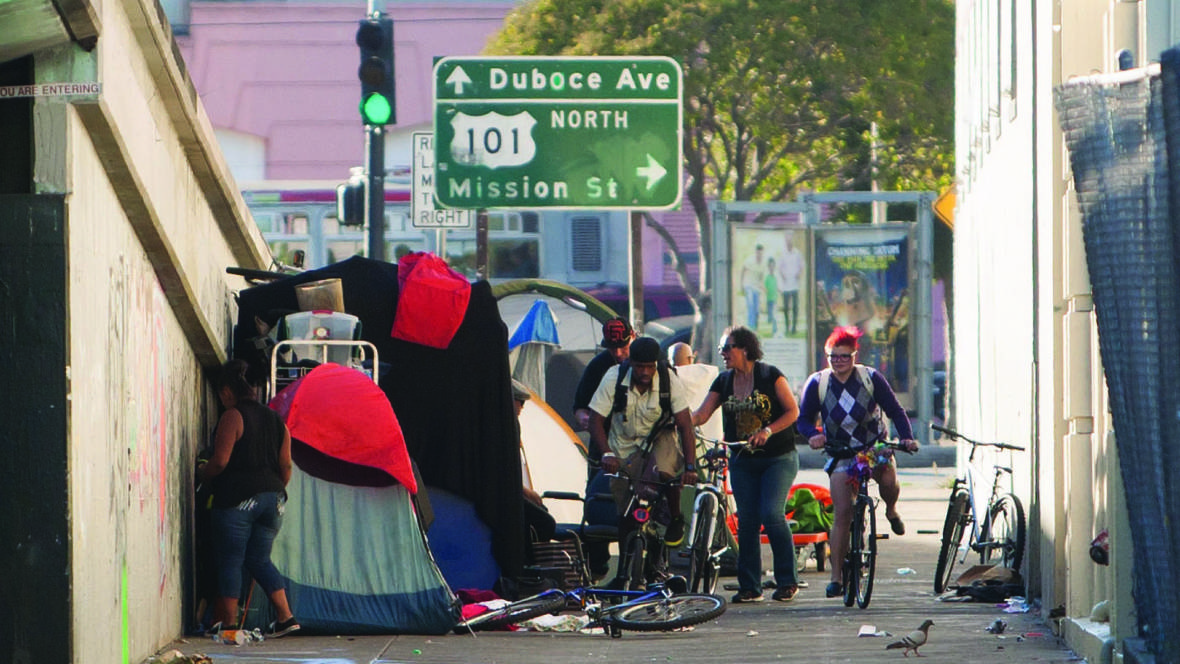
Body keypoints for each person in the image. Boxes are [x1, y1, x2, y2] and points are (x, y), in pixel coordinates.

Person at [795, 326, 918, 599]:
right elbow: (803, 420)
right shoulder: (818, 383)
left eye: (844, 356)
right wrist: (813, 435)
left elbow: (896, 411)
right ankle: (836, 577)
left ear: (854, 356)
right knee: (842, 513)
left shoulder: (871, 377)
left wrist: (907, 438)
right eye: (833, 357)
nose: (839, 362)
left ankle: (891, 510)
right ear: (826, 356)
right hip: (840, 450)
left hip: (874, 446)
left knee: (888, 479)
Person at [691, 326, 802, 603]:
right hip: (742, 459)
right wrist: (676, 418)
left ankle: (787, 580)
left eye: (727, 348)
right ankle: (750, 586)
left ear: (744, 349)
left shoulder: (769, 375)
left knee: (771, 514)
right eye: (721, 350)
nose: (723, 354)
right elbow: (702, 414)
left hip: (778, 458)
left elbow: (793, 411)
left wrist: (767, 431)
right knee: (747, 521)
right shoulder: (723, 381)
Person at [197, 359, 300, 637]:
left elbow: (220, 461)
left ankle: (228, 625)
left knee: (230, 559)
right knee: (259, 559)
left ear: (227, 391)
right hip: (274, 500)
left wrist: (202, 475)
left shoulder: (232, 416)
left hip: (239, 500)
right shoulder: (277, 421)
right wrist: (274, 490)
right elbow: (286, 466)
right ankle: (285, 617)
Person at [588, 336, 698, 581]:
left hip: (660, 437)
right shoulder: (614, 377)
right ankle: (625, 571)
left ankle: (675, 517)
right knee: (626, 512)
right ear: (631, 363)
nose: (645, 372)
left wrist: (690, 466)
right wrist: (606, 452)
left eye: (650, 367)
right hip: (624, 447)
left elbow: (685, 425)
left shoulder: (669, 380)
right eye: (639, 367)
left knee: (665, 470)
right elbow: (596, 420)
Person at [571, 316, 634, 577]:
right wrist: (586, 418)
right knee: (597, 504)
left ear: (633, 337)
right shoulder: (599, 366)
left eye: (623, 347)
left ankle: (646, 567)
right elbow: (579, 406)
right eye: (611, 348)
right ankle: (597, 567)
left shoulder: (649, 363)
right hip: (603, 446)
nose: (617, 354)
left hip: (637, 449)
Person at [513, 379, 557, 546]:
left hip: (514, 491)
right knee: (544, 522)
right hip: (508, 494)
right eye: (520, 402)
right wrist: (526, 492)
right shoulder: (505, 425)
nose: (522, 407)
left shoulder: (513, 424)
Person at [778, 236, 804, 335]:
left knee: (795, 307)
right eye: (787, 241)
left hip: (795, 285)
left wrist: (798, 274)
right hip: (785, 286)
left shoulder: (797, 253)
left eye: (790, 241)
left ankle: (794, 327)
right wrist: (783, 276)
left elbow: (801, 266)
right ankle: (787, 327)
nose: (789, 243)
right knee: (786, 308)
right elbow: (779, 267)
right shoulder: (783, 253)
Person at [740, 244, 767, 329]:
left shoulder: (763, 263)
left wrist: (763, 286)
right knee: (750, 305)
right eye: (758, 252)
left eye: (761, 253)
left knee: (756, 308)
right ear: (756, 252)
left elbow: (761, 276)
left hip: (756, 287)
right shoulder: (750, 260)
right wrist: (741, 284)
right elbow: (743, 270)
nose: (759, 254)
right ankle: (751, 325)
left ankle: (755, 325)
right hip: (748, 285)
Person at [764, 257, 779, 336]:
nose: (771, 268)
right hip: (768, 299)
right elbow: (765, 288)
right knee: (770, 316)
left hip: (774, 299)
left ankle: (775, 329)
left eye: (773, 266)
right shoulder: (767, 278)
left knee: (774, 315)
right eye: (770, 266)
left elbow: (777, 287)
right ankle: (771, 328)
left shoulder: (775, 278)